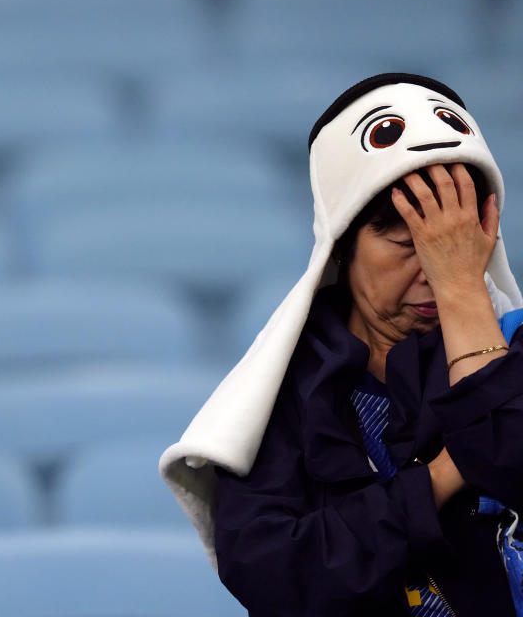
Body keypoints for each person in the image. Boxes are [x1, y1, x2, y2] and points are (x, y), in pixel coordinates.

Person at [160, 73, 523, 615]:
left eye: (455, 246)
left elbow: (510, 461)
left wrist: (464, 291)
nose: (435, 270)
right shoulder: (281, 391)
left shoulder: (512, 344)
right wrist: (443, 477)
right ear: (341, 246)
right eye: (407, 244)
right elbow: (276, 576)